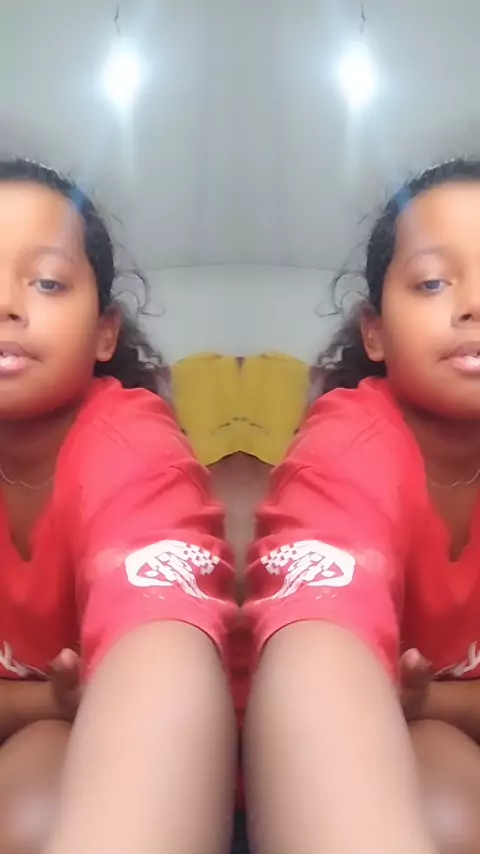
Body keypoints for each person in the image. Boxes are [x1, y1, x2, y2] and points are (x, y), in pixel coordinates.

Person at [0, 158, 237, 854]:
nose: (7, 305)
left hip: (96, 763)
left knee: (37, 795)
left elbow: (163, 659)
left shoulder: (131, 446)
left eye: (47, 281)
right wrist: (44, 699)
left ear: (105, 332)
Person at [244, 158, 480, 854]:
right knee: (444, 800)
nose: (472, 305)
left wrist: (433, 698)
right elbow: (316, 659)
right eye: (433, 282)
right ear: (374, 332)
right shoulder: (348, 446)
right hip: (384, 759)